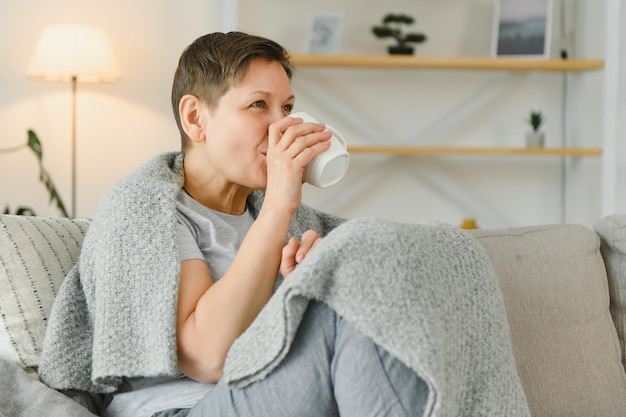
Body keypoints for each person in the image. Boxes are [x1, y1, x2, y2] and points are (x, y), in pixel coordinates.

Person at [39, 31, 531, 417]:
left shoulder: (286, 217)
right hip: (180, 409)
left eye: (289, 108)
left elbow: (271, 342)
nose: (282, 126)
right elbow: (207, 356)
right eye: (259, 105)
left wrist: (300, 298)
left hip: (266, 391)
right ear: (195, 118)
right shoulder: (144, 210)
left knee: (363, 283)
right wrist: (277, 205)